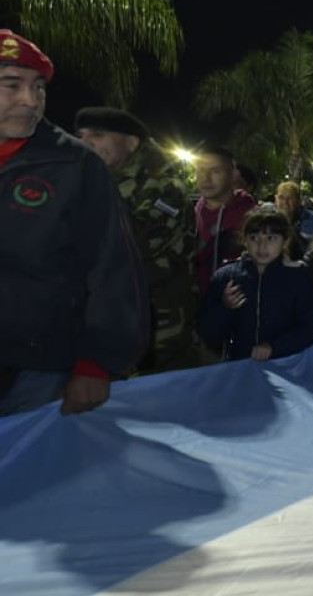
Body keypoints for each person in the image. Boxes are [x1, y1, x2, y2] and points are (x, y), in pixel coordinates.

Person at [0, 29, 149, 415]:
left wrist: (96, 363)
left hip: (37, 369)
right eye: (11, 85)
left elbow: (113, 267)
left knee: (30, 472)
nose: (30, 101)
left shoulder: (77, 165)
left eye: (38, 88)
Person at [75, 106, 199, 373]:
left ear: (131, 143)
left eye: (97, 134)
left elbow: (133, 242)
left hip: (157, 328)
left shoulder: (164, 187)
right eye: (81, 135)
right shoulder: (96, 182)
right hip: (108, 320)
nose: (85, 142)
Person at [197, 208, 313, 361]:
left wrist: (274, 347)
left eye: (271, 238)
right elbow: (207, 332)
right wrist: (224, 308)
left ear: (285, 241)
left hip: (287, 367)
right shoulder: (226, 277)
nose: (262, 246)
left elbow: (312, 327)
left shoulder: (298, 277)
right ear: (244, 240)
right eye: (254, 238)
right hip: (240, 367)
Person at [194, 145, 257, 296]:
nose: (205, 178)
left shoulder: (253, 217)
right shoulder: (187, 213)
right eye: (200, 170)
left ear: (233, 175)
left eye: (215, 171)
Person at [275, 180, 313, 262]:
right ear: (276, 199)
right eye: (281, 197)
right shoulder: (269, 221)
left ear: (299, 200)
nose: (285, 202)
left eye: (290, 198)